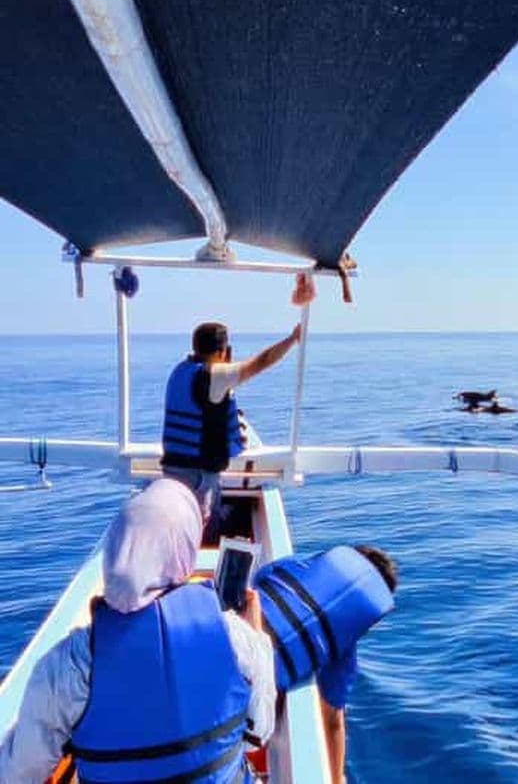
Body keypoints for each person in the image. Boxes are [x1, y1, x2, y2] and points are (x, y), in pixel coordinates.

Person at [0, 478, 276, 783]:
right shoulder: (237, 638)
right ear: (185, 550)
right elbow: (258, 733)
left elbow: (19, 773)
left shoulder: (67, 666)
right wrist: (256, 632)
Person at [253, 544, 398, 784]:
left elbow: (261, 575)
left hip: (216, 632)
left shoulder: (294, 566)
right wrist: (337, 778)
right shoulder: (342, 645)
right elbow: (332, 719)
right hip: (245, 687)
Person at [161, 320, 302, 524]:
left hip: (170, 470)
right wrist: (292, 339)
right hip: (199, 477)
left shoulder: (179, 371)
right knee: (203, 528)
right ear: (222, 351)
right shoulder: (213, 375)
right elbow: (262, 361)